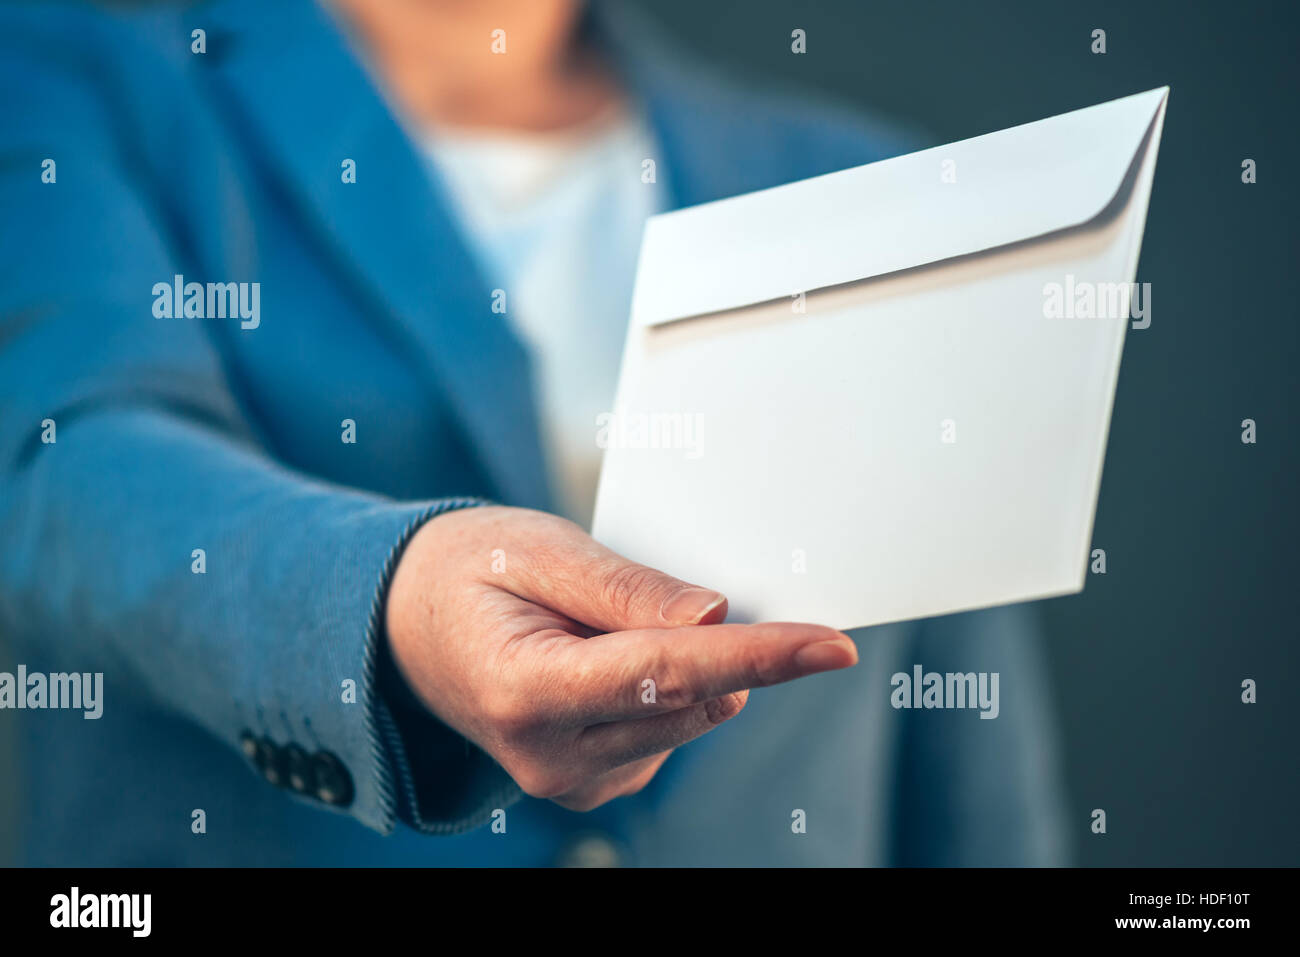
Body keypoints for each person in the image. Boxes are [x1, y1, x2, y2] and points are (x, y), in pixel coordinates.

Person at [0, 0, 1069, 866]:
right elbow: (70, 462)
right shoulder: (70, 74)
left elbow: (965, 767)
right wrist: (396, 603)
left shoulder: (868, 184)